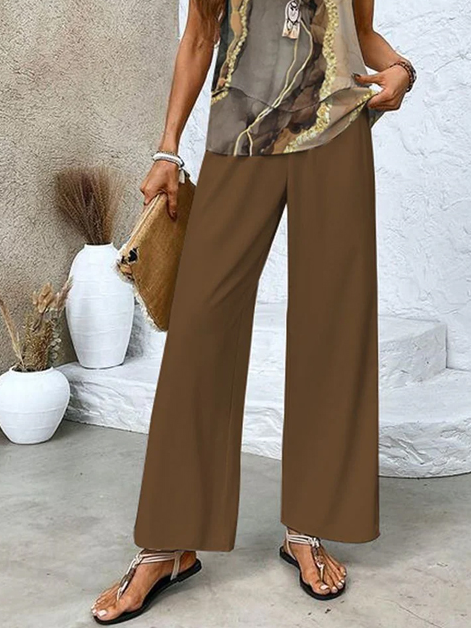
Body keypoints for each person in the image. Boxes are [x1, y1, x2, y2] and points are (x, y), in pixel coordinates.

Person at [92, 0, 415, 623]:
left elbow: (361, 31)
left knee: (331, 327)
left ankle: (307, 528)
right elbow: (200, 34)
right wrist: (167, 151)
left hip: (337, 130)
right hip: (240, 131)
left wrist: (401, 68)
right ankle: (167, 544)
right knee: (200, 329)